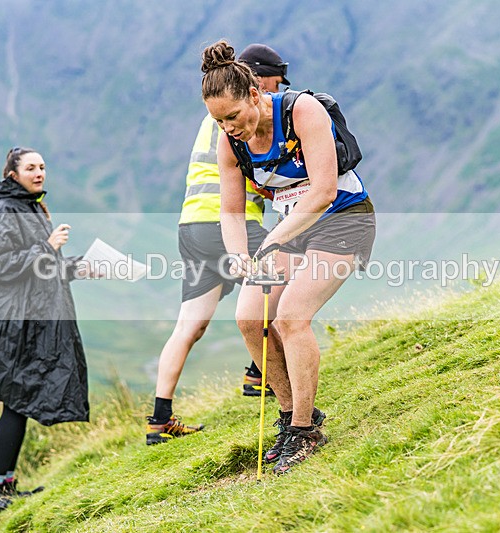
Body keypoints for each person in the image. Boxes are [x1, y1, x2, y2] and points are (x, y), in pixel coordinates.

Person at [201, 40, 376, 474]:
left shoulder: (301, 111)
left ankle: (305, 432)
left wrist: (273, 240)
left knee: (291, 317)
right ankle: (292, 416)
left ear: (256, 96)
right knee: (249, 318)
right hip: (290, 230)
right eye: (219, 121)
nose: (229, 128)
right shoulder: (230, 143)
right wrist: (239, 255)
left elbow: (322, 191)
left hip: (342, 218)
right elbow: (230, 210)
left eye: (234, 116)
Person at [145, 44, 293, 446]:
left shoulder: (211, 113)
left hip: (191, 225)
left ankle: (160, 418)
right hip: (231, 223)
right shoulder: (243, 118)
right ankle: (259, 372)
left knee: (189, 324)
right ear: (258, 81)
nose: (278, 89)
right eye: (276, 82)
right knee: (289, 273)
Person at [0, 147, 90, 518]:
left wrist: (78, 267)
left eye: (42, 166)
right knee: (16, 402)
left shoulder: (29, 208)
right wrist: (47, 245)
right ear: (12, 174)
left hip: (27, 320)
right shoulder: (2, 211)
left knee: (19, 403)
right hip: (8, 326)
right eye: (30, 167)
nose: (39, 172)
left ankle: (4, 486)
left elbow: (38, 268)